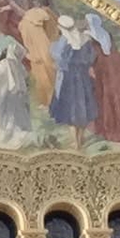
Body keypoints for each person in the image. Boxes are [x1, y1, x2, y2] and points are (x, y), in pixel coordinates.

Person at [49, 16, 98, 148]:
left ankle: (75, 142)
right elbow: (91, 58)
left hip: (69, 79)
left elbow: (60, 59)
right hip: (83, 79)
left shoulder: (66, 42)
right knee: (83, 109)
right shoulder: (86, 40)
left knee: (70, 110)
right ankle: (80, 139)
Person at [85, 12, 120, 143]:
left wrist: (90, 67)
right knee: (105, 99)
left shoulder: (90, 37)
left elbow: (91, 55)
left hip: (101, 71)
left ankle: (109, 129)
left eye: (87, 22)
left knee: (105, 99)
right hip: (106, 70)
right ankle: (106, 128)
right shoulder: (105, 35)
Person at [18, 0, 59, 106]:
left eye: (36, 0)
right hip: (34, 48)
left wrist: (50, 45)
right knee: (39, 75)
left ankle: (52, 100)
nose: (34, 1)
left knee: (49, 74)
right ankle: (45, 100)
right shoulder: (32, 13)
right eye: (34, 0)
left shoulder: (46, 13)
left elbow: (53, 32)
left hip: (46, 48)